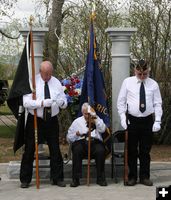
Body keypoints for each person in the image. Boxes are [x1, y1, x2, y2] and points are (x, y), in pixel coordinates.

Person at [20, 61, 67, 188]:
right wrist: (42, 103)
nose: (48, 76)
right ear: (40, 71)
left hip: (51, 120)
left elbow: (64, 100)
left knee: (55, 149)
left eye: (50, 73)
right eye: (45, 74)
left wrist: (62, 103)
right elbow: (26, 103)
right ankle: (25, 179)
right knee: (30, 149)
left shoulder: (56, 82)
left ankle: (57, 178)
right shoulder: (32, 82)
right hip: (35, 119)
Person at [117, 59, 162, 186]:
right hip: (132, 120)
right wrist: (122, 118)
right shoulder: (127, 82)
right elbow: (121, 102)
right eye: (139, 74)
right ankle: (132, 177)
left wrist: (157, 120)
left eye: (145, 74)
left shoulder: (153, 84)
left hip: (147, 120)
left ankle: (144, 176)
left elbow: (157, 103)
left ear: (148, 71)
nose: (142, 76)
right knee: (131, 150)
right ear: (134, 71)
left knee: (145, 151)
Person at [67, 102, 107, 187]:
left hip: (95, 142)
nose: (88, 116)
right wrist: (76, 134)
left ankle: (100, 178)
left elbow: (103, 129)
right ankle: (76, 179)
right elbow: (69, 137)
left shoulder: (96, 118)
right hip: (81, 142)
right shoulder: (77, 122)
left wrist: (95, 118)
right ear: (82, 113)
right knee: (77, 150)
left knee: (101, 150)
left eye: (89, 114)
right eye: (86, 114)